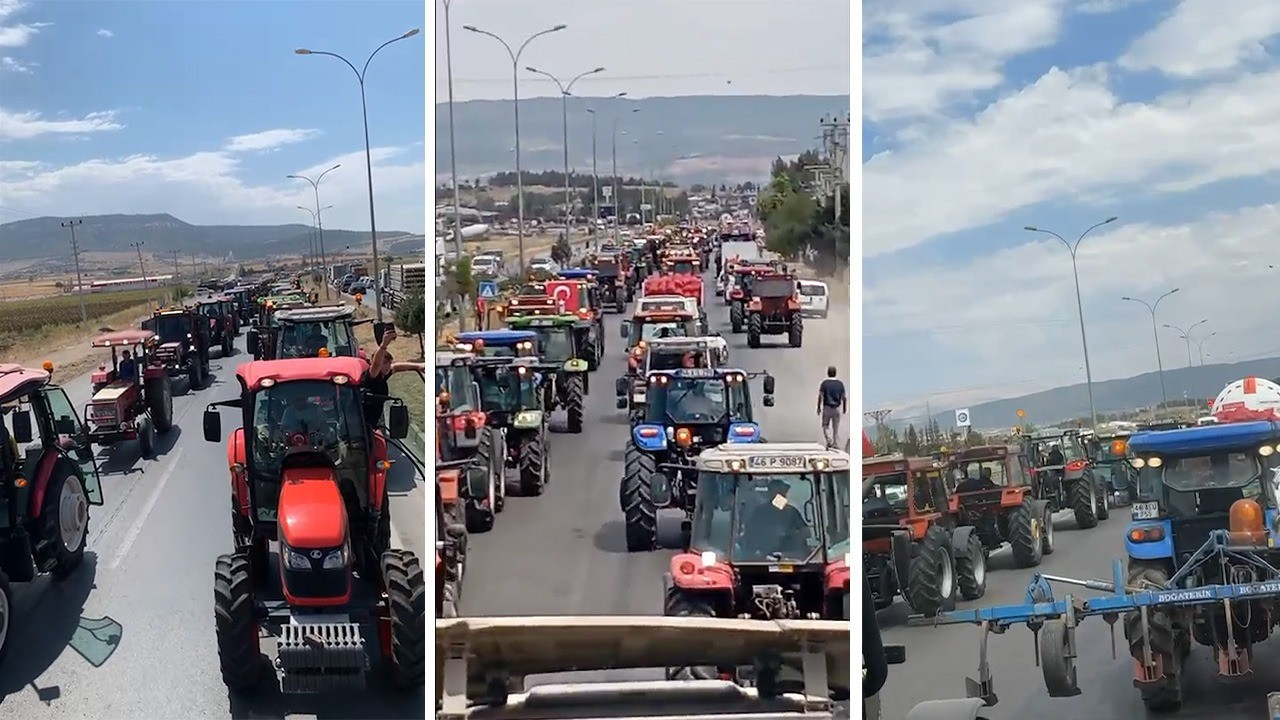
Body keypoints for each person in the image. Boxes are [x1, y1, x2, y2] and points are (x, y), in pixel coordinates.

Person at [367, 327, 426, 427]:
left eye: (389, 363)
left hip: (374, 423)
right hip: (363, 424)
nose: (388, 366)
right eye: (384, 363)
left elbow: (396, 367)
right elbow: (376, 365)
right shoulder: (372, 377)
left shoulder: (383, 375)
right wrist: (383, 345)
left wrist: (417, 366)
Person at [742, 478, 810, 557]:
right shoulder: (760, 512)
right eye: (779, 492)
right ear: (771, 493)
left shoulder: (791, 511)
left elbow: (806, 532)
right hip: (765, 557)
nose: (783, 495)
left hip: (790, 556)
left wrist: (793, 534)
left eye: (784, 492)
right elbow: (750, 534)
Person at [817, 366, 847, 450]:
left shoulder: (825, 383)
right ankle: (836, 443)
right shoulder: (840, 384)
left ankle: (829, 442)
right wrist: (844, 408)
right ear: (835, 373)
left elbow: (820, 396)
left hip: (827, 407)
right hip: (837, 408)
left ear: (828, 373)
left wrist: (818, 407)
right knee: (835, 427)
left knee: (825, 425)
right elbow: (844, 397)